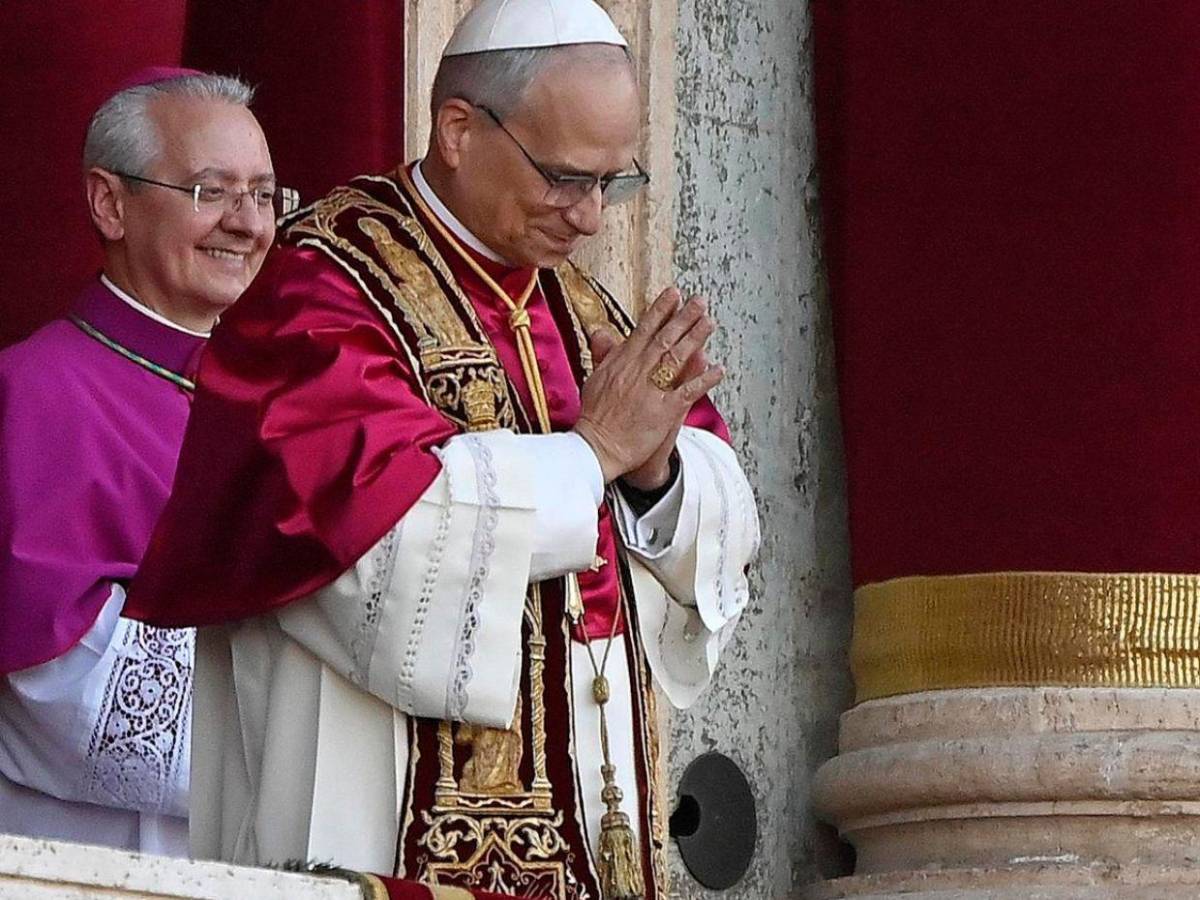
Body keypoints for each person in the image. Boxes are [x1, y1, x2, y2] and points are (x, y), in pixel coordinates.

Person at [125, 0, 760, 894]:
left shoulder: (581, 314)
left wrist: (654, 471)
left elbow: (720, 521)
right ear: (459, 129)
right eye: (564, 178)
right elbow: (365, 530)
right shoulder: (324, 286)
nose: (588, 221)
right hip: (376, 815)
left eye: (613, 184)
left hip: (591, 827)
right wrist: (590, 455)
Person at [0, 68, 279, 857]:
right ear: (109, 203)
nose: (246, 223)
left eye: (263, 194)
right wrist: (300, 718)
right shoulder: (40, 391)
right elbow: (56, 687)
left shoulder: (285, 385)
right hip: (111, 862)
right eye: (210, 191)